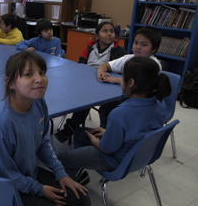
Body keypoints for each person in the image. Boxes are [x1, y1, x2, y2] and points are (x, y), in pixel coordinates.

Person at [0, 51, 90, 206]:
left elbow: (43, 141)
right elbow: (5, 175)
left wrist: (60, 173)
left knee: (81, 198)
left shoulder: (38, 102)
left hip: (28, 174)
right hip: (6, 187)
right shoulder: (2, 124)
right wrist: (40, 190)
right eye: (28, 74)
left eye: (42, 73)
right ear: (11, 83)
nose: (40, 79)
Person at [56, 56, 171, 185]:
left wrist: (95, 141)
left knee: (59, 159)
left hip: (114, 159)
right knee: (80, 132)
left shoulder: (120, 113)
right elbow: (138, 130)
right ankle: (78, 169)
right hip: (139, 155)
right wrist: (108, 132)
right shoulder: (160, 105)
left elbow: (106, 148)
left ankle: (72, 185)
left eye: (122, 77)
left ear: (131, 83)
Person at [55, 22, 126, 142]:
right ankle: (71, 127)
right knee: (84, 97)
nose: (109, 34)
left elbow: (123, 69)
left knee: (101, 101)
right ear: (96, 36)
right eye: (105, 31)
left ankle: (104, 130)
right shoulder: (90, 48)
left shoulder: (119, 52)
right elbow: (81, 65)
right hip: (88, 82)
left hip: (107, 86)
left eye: (111, 31)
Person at [95, 26, 163, 128]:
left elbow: (137, 83)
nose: (138, 47)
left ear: (154, 49)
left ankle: (106, 133)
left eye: (144, 45)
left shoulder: (153, 64)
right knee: (101, 103)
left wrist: (114, 80)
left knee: (107, 107)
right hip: (127, 94)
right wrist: (101, 73)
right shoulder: (129, 58)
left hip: (141, 101)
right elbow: (105, 65)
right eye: (136, 42)